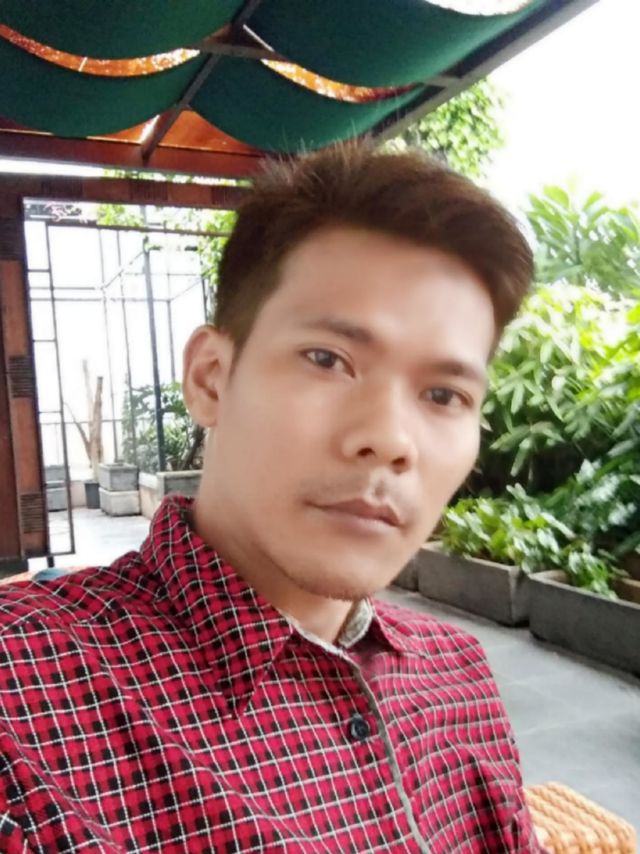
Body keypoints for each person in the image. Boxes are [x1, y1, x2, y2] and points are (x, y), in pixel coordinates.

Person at [0, 144, 541, 853]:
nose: (389, 439)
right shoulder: (23, 697)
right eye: (328, 359)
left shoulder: (459, 677)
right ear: (211, 378)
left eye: (443, 395)